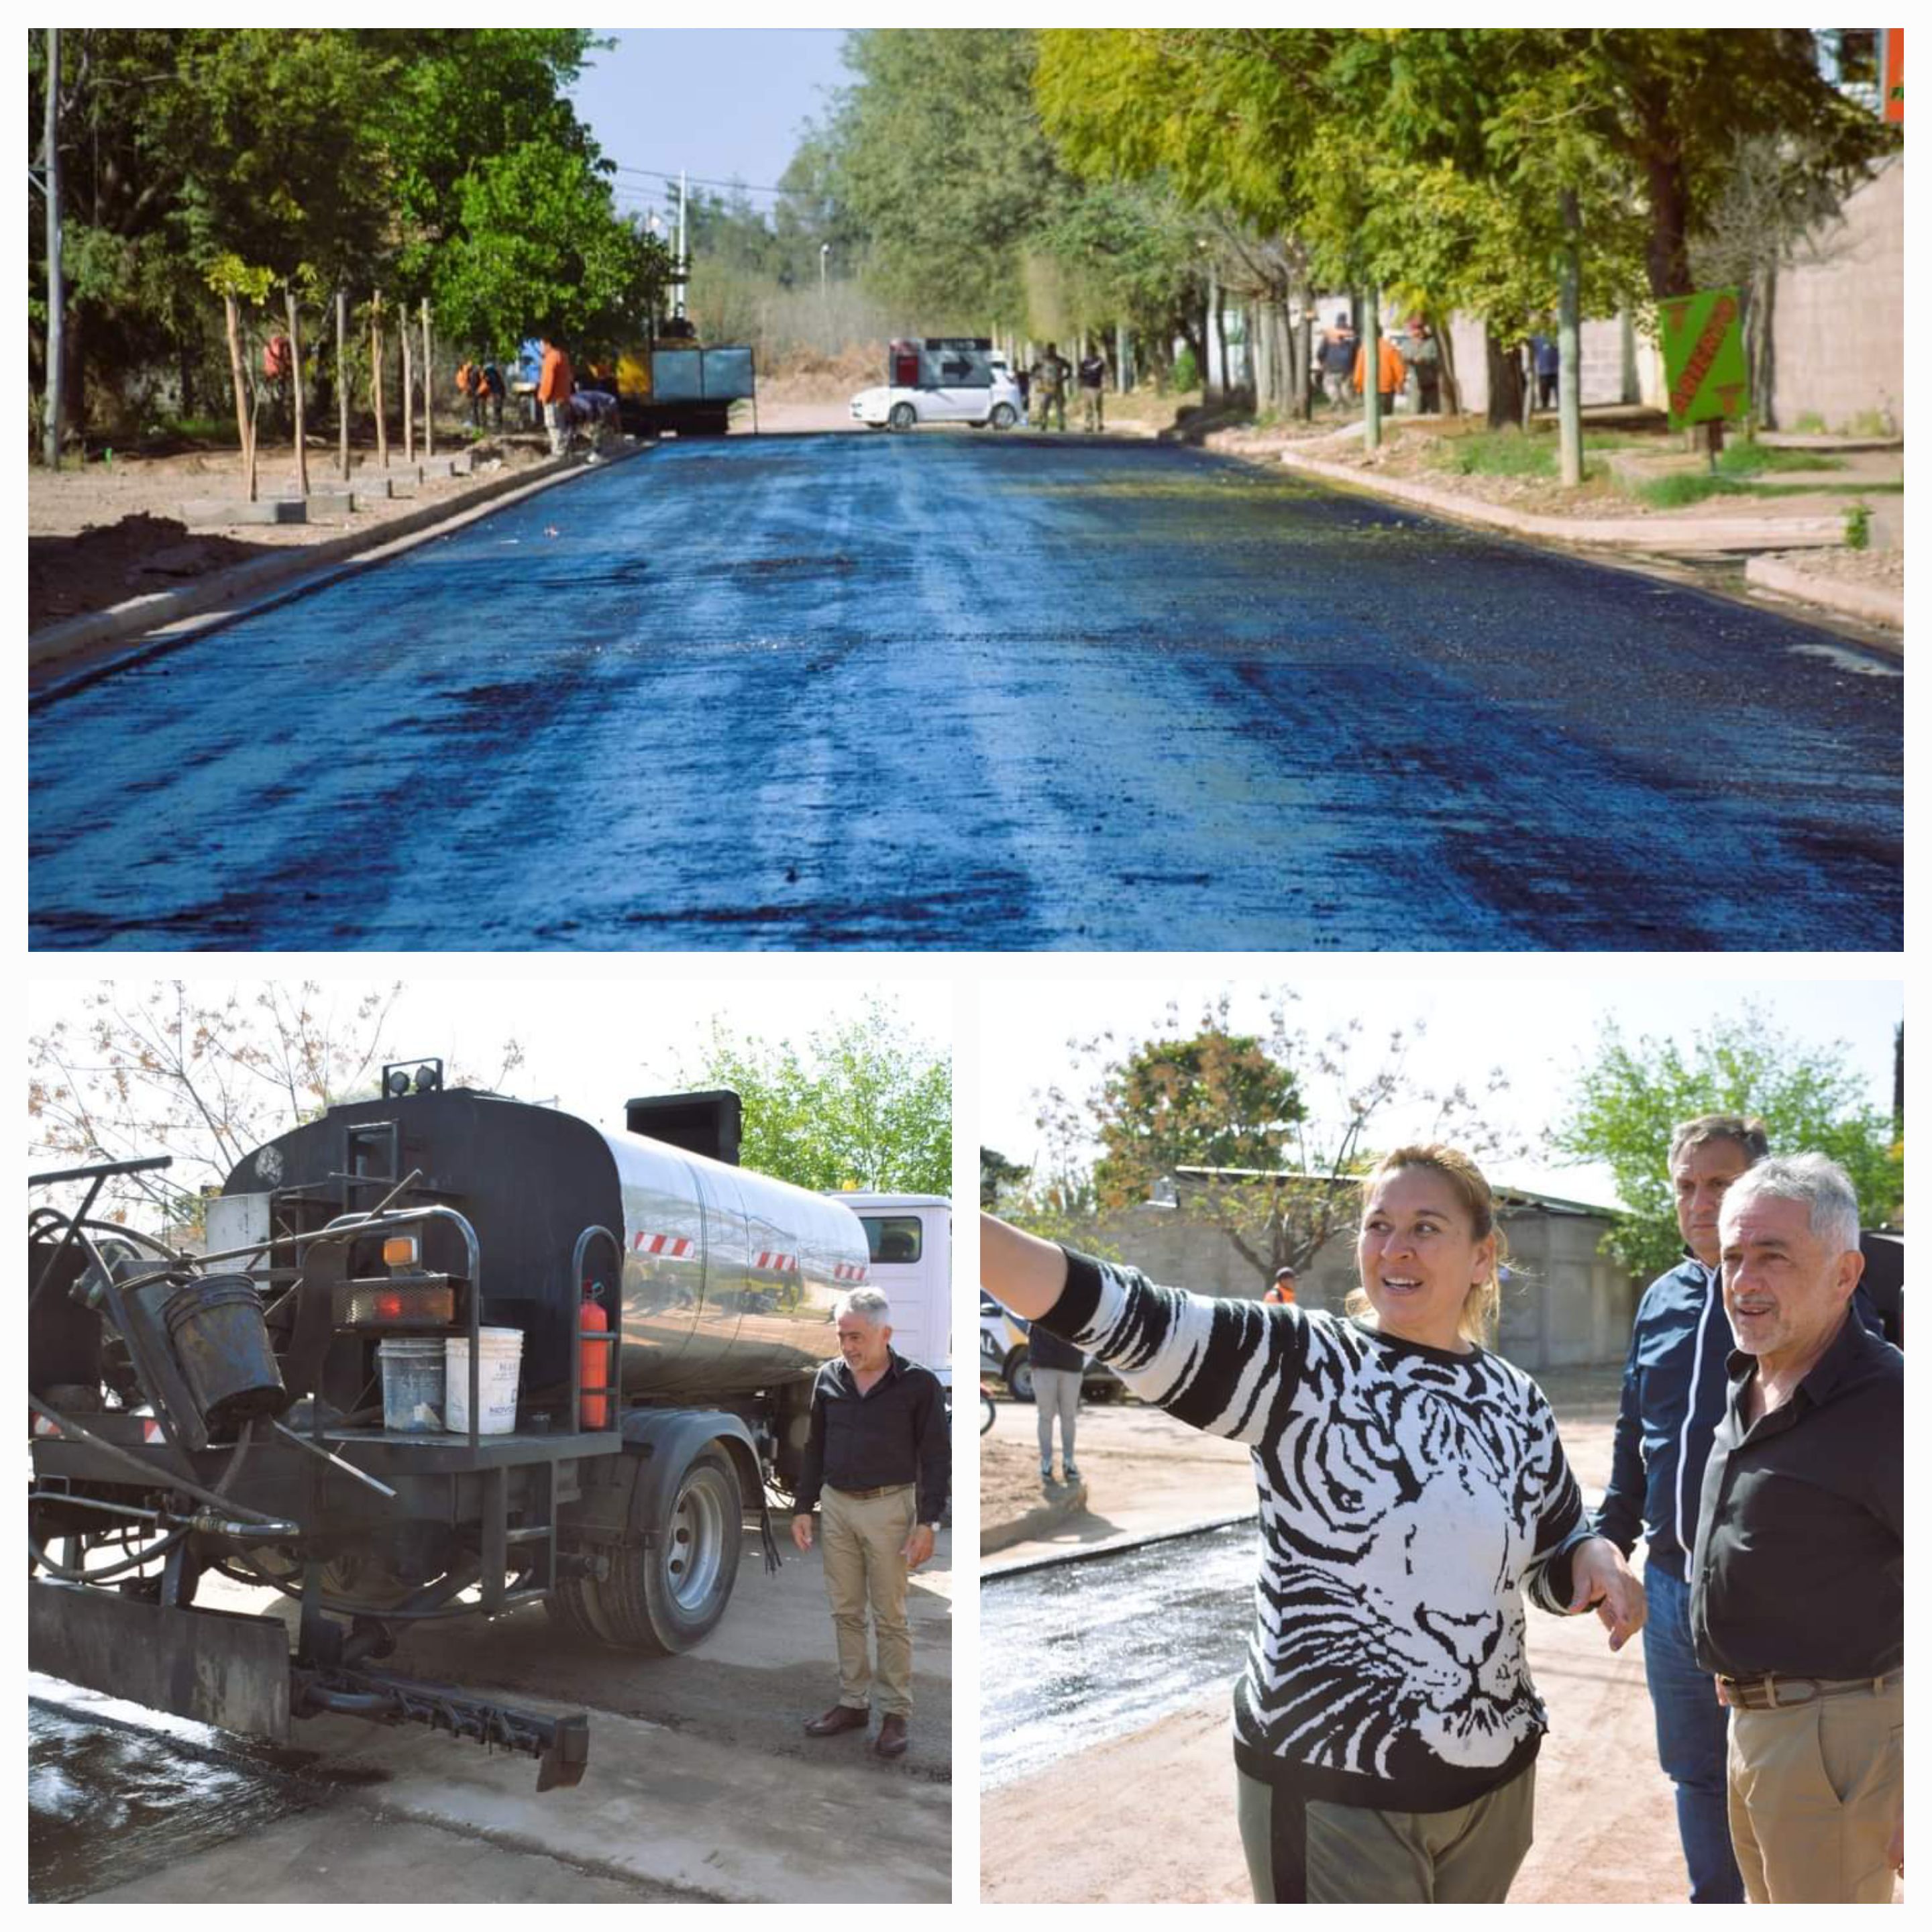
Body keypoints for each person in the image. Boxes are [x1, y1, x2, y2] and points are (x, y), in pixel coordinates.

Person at [981, 1146, 1644, 1904]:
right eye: (1379, 1226)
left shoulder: (1512, 1393)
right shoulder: (1304, 1361)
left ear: (1483, 1256)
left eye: (1427, 1227)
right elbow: (1128, 1314)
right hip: (1337, 1784)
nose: (1396, 1248)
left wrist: (1593, 1556)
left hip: (1495, 1786)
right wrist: (966, 1233)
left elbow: (1550, 1554)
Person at [1689, 1155, 1902, 1904]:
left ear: (1845, 1275)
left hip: (1842, 1736)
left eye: (1773, 1257)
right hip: (1756, 1727)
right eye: (1734, 1256)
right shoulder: (1751, 1375)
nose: (1744, 1281)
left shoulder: (1891, 1403)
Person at [1592, 1114, 1765, 1902]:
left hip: (1772, 1596)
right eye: (1686, 1185)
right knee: (1695, 1775)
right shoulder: (1661, 1298)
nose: (1699, 1201)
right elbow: (1638, 1431)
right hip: (1670, 1593)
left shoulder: (1790, 1293)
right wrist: (1609, 1542)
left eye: (1720, 1184)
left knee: (1779, 1781)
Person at [791, 1287, 949, 1761]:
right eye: (842, 1336)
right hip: (837, 1505)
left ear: (886, 1334)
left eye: (857, 1337)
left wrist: (929, 1522)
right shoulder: (828, 1379)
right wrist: (803, 1507)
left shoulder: (919, 1385)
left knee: (890, 1616)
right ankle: (852, 1703)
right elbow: (814, 1446)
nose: (849, 1347)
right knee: (845, 1611)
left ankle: (895, 1713)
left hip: (890, 1508)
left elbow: (936, 1457)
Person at [1027, 1316, 1086, 1483]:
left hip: (1072, 1365)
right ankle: (1046, 1462)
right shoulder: (1036, 1294)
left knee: (1069, 1417)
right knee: (1046, 1416)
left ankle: (1069, 1462)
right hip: (1044, 1363)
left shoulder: (1079, 1297)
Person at [1353, 329, 1406, 419]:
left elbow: (1359, 370)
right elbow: (1400, 370)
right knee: (1386, 419)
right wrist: (1399, 386)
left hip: (1369, 390)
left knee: (1372, 418)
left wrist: (1359, 387)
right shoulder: (1390, 348)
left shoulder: (1364, 349)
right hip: (1387, 389)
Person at [537, 335, 575, 457]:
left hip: (553, 399)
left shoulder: (550, 358)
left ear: (548, 344)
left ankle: (559, 452)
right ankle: (566, 449)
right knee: (562, 424)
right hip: (564, 396)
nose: (541, 348)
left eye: (542, 344)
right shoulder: (563, 356)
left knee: (553, 424)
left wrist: (544, 396)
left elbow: (548, 380)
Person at [1028, 342, 1069, 432]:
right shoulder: (1043, 360)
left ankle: (1061, 424)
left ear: (1055, 350)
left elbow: (1069, 367)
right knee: (1044, 406)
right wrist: (1037, 378)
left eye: (1053, 349)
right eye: (1050, 349)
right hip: (1046, 386)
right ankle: (1044, 424)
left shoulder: (1060, 361)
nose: (1051, 351)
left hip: (1058, 386)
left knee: (1060, 407)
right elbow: (1033, 369)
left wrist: (1065, 377)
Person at [1405, 320, 1442, 415]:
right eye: (1415, 329)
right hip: (1416, 383)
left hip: (1431, 382)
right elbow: (1405, 356)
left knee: (1436, 411)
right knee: (1416, 411)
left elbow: (1437, 357)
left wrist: (1426, 359)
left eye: (1420, 328)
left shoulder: (1431, 342)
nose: (1418, 331)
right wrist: (1412, 358)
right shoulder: (1408, 344)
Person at [1320, 313, 1357, 405]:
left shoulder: (1330, 334)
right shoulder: (1351, 335)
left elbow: (1321, 352)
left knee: (1329, 384)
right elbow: (1356, 352)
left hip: (1331, 367)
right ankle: (1347, 403)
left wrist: (1322, 362)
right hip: (1347, 368)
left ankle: (1336, 399)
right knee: (1345, 387)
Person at [1077, 347, 1108, 433]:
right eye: (1089, 352)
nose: (1090, 353)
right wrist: (1080, 386)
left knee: (1098, 407)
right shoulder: (1084, 363)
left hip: (1097, 387)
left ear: (1095, 352)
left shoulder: (1100, 362)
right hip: (1086, 387)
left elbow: (1104, 373)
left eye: (1092, 351)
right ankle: (1089, 425)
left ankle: (1099, 423)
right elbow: (1080, 375)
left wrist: (1105, 384)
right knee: (1088, 407)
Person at [1530, 331, 1560, 411]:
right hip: (1543, 373)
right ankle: (1546, 418)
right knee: (1544, 400)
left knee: (1561, 399)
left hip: (1557, 372)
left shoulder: (1557, 336)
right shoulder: (1535, 338)